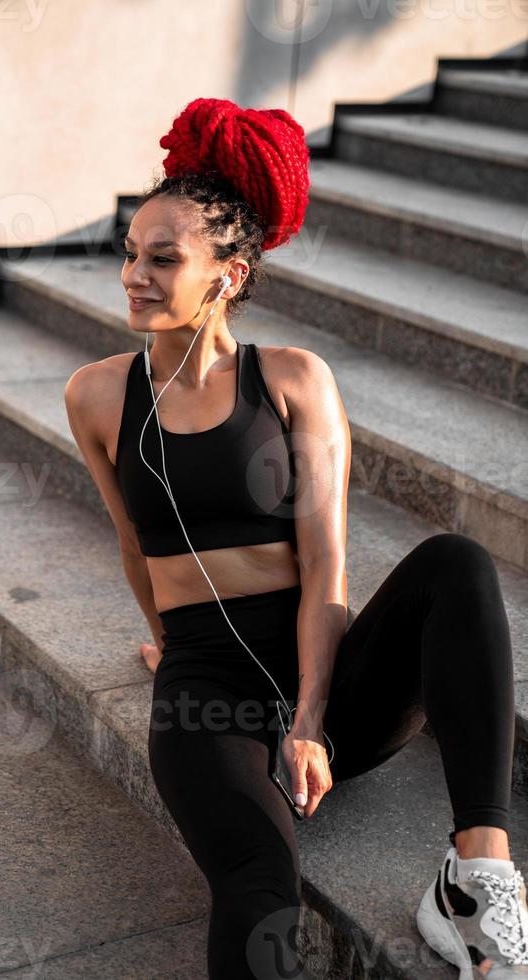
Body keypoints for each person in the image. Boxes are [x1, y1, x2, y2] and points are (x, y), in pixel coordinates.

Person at [64, 98, 528, 979]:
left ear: (228, 276)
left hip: (333, 680)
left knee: (456, 564)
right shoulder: (95, 395)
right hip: (209, 690)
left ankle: (476, 877)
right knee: (256, 885)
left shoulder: (292, 380)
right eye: (131, 253)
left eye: (164, 259)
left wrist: (311, 717)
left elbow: (326, 562)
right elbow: (136, 547)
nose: (134, 275)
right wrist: (171, 649)